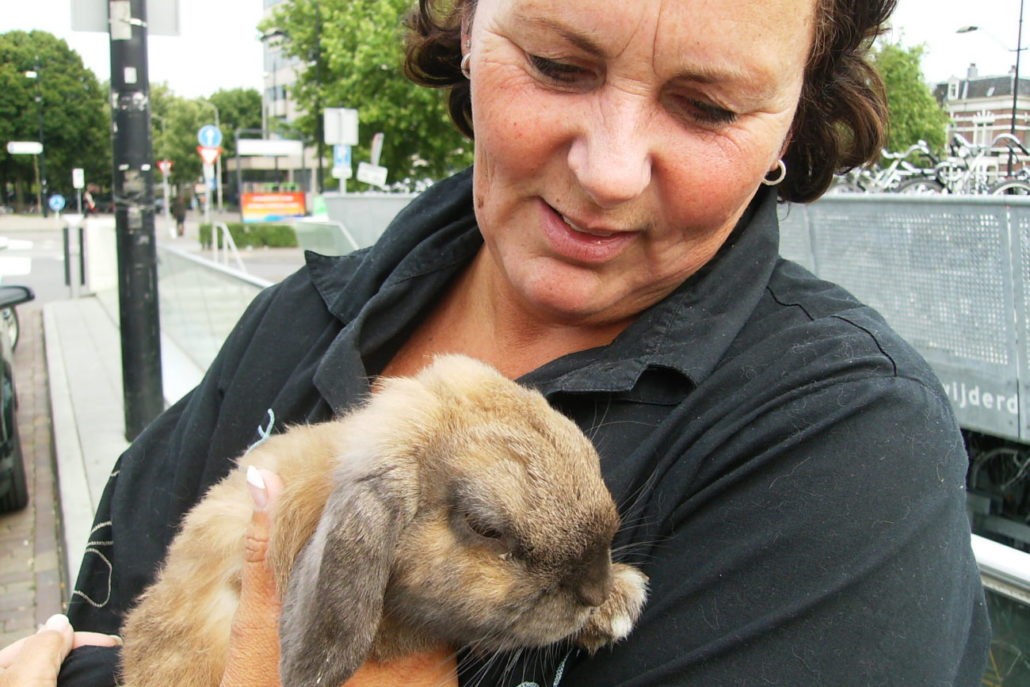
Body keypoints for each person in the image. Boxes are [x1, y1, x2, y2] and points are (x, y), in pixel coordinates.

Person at [14, 0, 992, 684]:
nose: (609, 171)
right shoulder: (297, 317)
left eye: (708, 107)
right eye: (559, 66)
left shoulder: (847, 448)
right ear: (471, 25)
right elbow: (107, 620)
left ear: (792, 114)